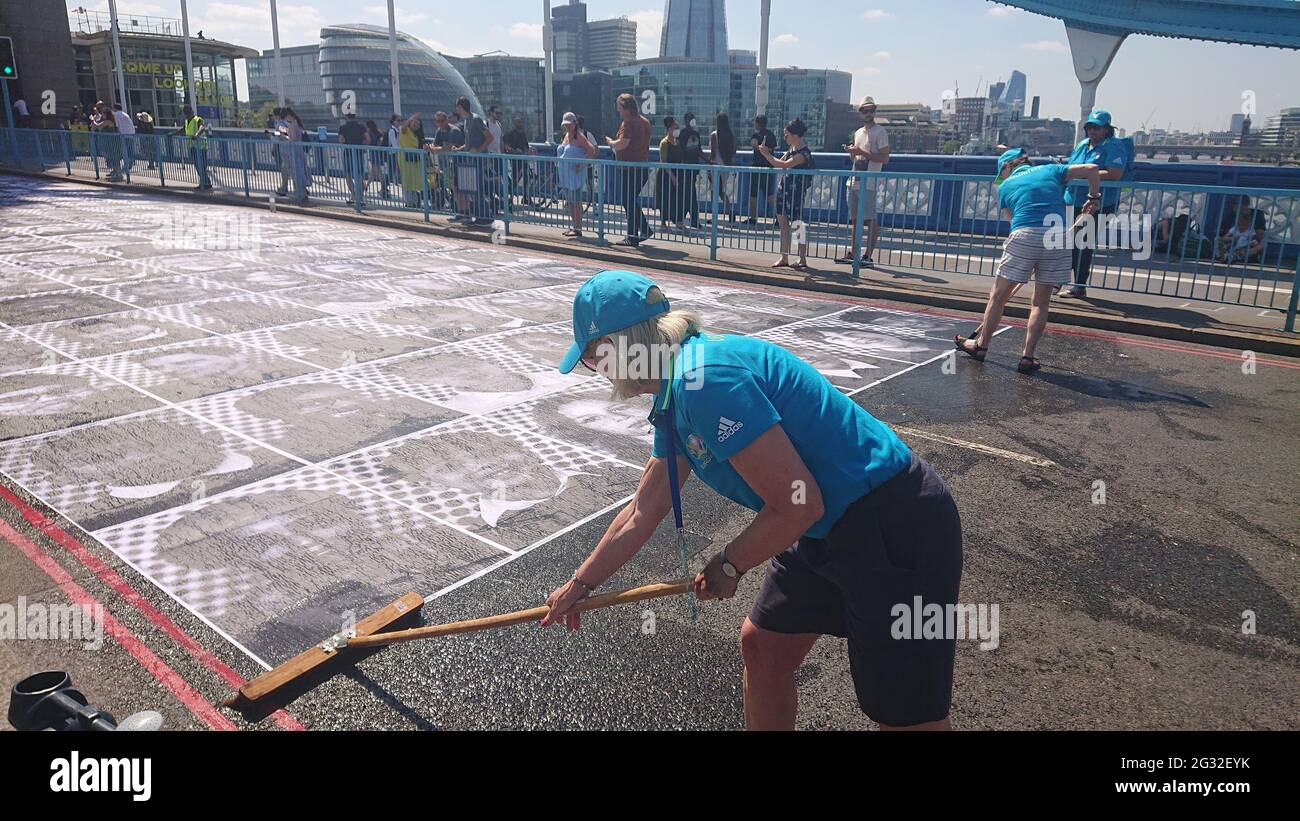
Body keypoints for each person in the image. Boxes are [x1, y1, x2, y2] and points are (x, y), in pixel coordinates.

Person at [542, 270, 964, 732]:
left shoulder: (705, 380)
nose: (595, 372)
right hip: (821, 524)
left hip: (890, 521)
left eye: (590, 358)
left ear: (616, 348)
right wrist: (579, 587)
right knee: (764, 648)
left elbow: (798, 504)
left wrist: (730, 562)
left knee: (906, 718)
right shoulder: (676, 390)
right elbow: (643, 510)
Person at [955, 148, 1101, 374]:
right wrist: (1093, 197)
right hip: (1057, 236)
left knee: (998, 297)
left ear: (1007, 167)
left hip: (1025, 234)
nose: (1000, 178)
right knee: (1040, 303)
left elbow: (1014, 221)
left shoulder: (1005, 187)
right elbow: (1092, 169)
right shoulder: (1051, 169)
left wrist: (1030, 254)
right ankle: (1027, 357)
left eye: (1001, 173)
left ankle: (981, 346)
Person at [1060, 109, 1128, 299]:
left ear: (1106, 129)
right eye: (1090, 127)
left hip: (1098, 203)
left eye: (1097, 128)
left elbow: (1115, 174)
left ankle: (1079, 285)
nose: (1092, 131)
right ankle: (1062, 279)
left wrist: (1086, 173)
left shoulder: (1114, 146)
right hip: (1073, 199)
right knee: (1069, 242)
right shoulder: (1083, 144)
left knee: (1083, 243)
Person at [837, 96, 890, 269]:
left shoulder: (880, 132)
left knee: (871, 219)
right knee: (855, 220)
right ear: (860, 114)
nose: (868, 113)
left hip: (869, 182)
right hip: (854, 180)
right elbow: (857, 157)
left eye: (871, 110)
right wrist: (852, 152)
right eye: (865, 111)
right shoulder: (858, 132)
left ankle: (868, 256)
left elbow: (885, 158)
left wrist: (862, 152)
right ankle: (854, 253)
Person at [758, 118, 816, 269]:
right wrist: (767, 153)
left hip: (796, 192)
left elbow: (783, 164)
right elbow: (779, 160)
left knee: (798, 225)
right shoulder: (791, 149)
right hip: (784, 189)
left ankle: (802, 258)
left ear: (795, 135)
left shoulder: (803, 154)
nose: (785, 138)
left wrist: (766, 155)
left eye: (786, 135)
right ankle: (784, 256)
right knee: (783, 223)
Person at [607, 92, 653, 247]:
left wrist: (612, 143)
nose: (618, 111)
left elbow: (623, 143)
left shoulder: (628, 122)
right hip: (643, 166)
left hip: (629, 168)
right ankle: (639, 232)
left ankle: (634, 235)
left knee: (628, 201)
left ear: (626, 108)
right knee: (631, 200)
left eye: (619, 108)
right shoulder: (645, 122)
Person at [556, 112, 597, 239]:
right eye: (565, 125)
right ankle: (575, 226)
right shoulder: (567, 135)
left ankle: (578, 228)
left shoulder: (578, 136)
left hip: (574, 175)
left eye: (569, 124)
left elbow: (592, 150)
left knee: (576, 201)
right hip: (566, 174)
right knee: (571, 202)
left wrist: (582, 164)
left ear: (575, 123)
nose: (567, 127)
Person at [656, 116, 688, 233]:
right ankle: (664, 222)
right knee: (665, 197)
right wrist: (672, 176)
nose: (677, 129)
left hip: (677, 173)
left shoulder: (677, 142)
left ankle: (679, 221)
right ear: (669, 128)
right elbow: (663, 161)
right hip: (666, 174)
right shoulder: (664, 143)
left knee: (678, 198)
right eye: (675, 127)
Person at [747, 114, 778, 226]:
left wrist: (758, 146)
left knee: (753, 194)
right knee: (769, 194)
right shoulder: (771, 135)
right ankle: (779, 217)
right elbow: (772, 149)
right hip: (769, 167)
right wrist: (764, 148)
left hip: (757, 167)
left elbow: (753, 144)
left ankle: (753, 218)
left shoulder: (756, 135)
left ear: (757, 123)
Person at [1217, 195, 1267, 263]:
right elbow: (1222, 235)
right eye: (1234, 206)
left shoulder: (1257, 214)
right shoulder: (1230, 216)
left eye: (1238, 205)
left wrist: (1247, 238)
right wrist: (1234, 238)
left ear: (1246, 205)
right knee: (1217, 240)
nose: (1235, 209)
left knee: (1261, 245)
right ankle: (1224, 256)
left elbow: (1259, 236)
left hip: (1246, 247)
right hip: (1231, 245)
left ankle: (1234, 257)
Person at [709, 112, 738, 225]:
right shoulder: (731, 135)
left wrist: (709, 163)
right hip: (726, 166)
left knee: (714, 192)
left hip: (716, 166)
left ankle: (715, 215)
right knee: (721, 191)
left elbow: (713, 152)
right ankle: (730, 210)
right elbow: (734, 150)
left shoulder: (714, 135)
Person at [679, 112, 704, 229]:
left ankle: (681, 218)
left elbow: (698, 150)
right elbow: (695, 151)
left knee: (688, 193)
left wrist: (707, 160)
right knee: (689, 194)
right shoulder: (685, 133)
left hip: (690, 167)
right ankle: (687, 219)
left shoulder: (692, 133)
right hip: (687, 168)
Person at [338, 112, 369, 205]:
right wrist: (361, 143)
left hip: (347, 153)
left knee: (348, 175)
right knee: (359, 175)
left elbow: (341, 140)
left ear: (346, 117)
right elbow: (368, 139)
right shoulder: (361, 127)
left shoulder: (342, 127)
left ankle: (353, 196)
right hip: (359, 153)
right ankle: (361, 198)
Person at [178, 104, 211, 191]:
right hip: (192, 146)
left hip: (200, 146)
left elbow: (202, 127)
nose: (187, 115)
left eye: (188, 113)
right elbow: (183, 130)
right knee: (198, 165)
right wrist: (172, 134)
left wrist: (196, 134)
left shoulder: (197, 119)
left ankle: (204, 184)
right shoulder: (187, 121)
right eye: (186, 113)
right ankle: (206, 182)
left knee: (201, 166)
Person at [502, 115, 534, 202]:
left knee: (527, 178)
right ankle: (510, 197)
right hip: (515, 160)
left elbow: (526, 146)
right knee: (516, 179)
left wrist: (529, 150)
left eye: (520, 122)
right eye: (517, 122)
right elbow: (507, 146)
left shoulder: (523, 134)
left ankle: (526, 197)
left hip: (523, 159)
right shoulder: (510, 134)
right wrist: (515, 151)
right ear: (514, 124)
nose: (519, 124)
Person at [397, 112, 425, 207]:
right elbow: (403, 126)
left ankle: (415, 201)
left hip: (415, 159)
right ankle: (409, 201)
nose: (415, 125)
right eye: (414, 122)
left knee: (414, 180)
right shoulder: (405, 130)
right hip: (405, 159)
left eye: (418, 124)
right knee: (407, 180)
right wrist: (412, 117)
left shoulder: (417, 135)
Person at [91, 102, 122, 182]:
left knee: (114, 157)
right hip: (108, 142)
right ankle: (115, 172)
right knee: (111, 157)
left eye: (103, 114)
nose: (102, 115)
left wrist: (93, 120)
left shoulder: (109, 121)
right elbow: (95, 128)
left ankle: (118, 174)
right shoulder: (105, 120)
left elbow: (98, 126)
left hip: (112, 141)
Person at [365, 118, 390, 197]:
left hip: (373, 152)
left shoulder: (369, 132)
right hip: (379, 152)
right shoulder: (378, 131)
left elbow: (369, 141)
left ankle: (382, 187)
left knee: (376, 171)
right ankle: (382, 187)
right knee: (376, 171)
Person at [111, 103, 136, 177]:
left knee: (121, 152)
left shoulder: (116, 115)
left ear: (115, 108)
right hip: (130, 134)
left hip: (123, 135)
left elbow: (117, 125)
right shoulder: (125, 115)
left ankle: (123, 168)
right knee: (129, 151)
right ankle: (128, 165)